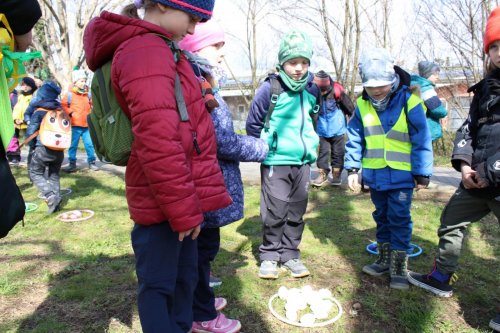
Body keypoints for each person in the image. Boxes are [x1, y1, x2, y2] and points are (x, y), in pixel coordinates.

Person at [83, 1, 232, 332]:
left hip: (177, 199)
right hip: (163, 203)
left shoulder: (161, 48)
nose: (194, 29)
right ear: (163, 5)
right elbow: (159, 141)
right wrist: (183, 210)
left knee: (182, 282)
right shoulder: (146, 53)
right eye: (193, 18)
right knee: (161, 288)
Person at [408, 7, 500, 331]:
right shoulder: (483, 89)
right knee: (450, 222)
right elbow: (467, 129)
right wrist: (463, 166)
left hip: (495, 178)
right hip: (474, 179)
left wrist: (488, 172)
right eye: (495, 46)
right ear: (488, 52)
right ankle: (441, 276)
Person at [180, 20, 268, 333]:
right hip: (202, 187)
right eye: (214, 45)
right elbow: (220, 140)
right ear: (193, 48)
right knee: (199, 253)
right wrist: (260, 147)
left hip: (206, 185)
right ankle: (201, 313)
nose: (222, 51)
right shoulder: (197, 85)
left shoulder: (204, 81)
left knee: (203, 250)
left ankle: (198, 298)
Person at [344, 48, 433, 289]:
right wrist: (352, 169)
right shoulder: (362, 106)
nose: (376, 90)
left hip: (403, 176)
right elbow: (354, 136)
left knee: (399, 218)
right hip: (375, 174)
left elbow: (421, 138)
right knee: (381, 217)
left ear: (392, 79)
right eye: (371, 86)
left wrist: (422, 172)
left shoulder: (410, 101)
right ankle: (383, 259)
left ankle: (399, 267)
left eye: (381, 85)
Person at [246, 30, 320, 280]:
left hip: (302, 162)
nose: (298, 68)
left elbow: (313, 121)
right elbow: (253, 124)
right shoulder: (270, 89)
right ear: (282, 64)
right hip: (275, 160)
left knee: (297, 211)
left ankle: (290, 254)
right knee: (276, 210)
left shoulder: (313, 90)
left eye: (304, 62)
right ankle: (269, 255)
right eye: (292, 63)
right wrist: (266, 148)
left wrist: (310, 147)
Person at [25, 81, 65, 213]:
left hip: (42, 148)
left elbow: (31, 132)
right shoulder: (60, 111)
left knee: (35, 172)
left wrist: (32, 147)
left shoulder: (39, 112)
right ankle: (56, 201)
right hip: (59, 151)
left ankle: (50, 196)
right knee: (54, 174)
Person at [311, 70, 354, 186]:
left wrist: (354, 123)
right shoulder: (313, 92)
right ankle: (322, 174)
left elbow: (350, 107)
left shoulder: (337, 91)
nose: (322, 92)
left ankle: (336, 175)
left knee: (338, 153)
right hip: (321, 129)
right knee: (323, 153)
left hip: (338, 128)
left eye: (324, 89)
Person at [61, 68, 98, 172]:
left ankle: (92, 162)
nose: (83, 83)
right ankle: (72, 163)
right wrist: (71, 113)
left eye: (84, 80)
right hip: (75, 125)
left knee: (89, 145)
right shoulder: (69, 95)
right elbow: (63, 105)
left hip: (87, 125)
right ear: (75, 82)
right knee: (73, 145)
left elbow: (93, 105)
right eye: (81, 81)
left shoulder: (88, 94)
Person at [410, 61, 448, 141]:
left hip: (415, 129)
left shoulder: (413, 86)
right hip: (426, 130)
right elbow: (438, 110)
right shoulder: (426, 89)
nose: (437, 77)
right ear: (427, 75)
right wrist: (444, 112)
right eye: (435, 74)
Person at [6, 77, 37, 164]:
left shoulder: (33, 97)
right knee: (13, 139)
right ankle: (14, 156)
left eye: (27, 85)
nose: (25, 87)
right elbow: (16, 109)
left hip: (28, 122)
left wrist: (24, 120)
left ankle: (33, 159)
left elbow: (31, 110)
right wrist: (16, 119)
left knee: (31, 142)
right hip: (17, 122)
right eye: (23, 85)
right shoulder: (20, 96)